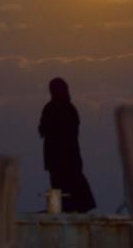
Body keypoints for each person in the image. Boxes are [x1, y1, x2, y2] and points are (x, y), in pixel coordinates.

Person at [38, 77, 96, 213]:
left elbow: (47, 129)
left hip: (64, 156)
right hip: (64, 156)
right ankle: (63, 208)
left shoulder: (58, 108)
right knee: (63, 183)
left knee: (66, 182)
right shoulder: (65, 108)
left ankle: (65, 208)